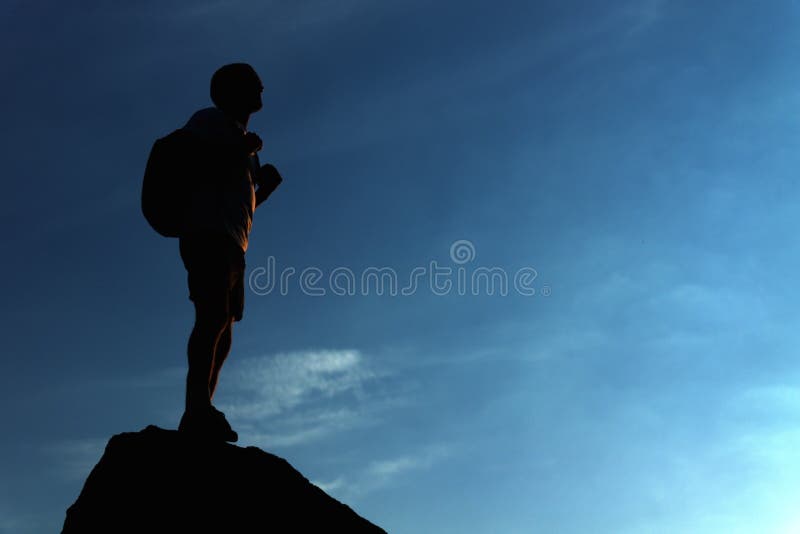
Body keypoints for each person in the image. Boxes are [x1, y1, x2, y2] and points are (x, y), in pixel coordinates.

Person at [177, 63, 283, 441]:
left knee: (225, 327)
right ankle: (197, 408)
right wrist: (240, 148)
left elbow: (238, 200)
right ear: (233, 90)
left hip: (232, 242)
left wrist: (264, 189)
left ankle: (203, 405)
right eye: (255, 84)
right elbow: (197, 166)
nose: (261, 89)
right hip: (206, 234)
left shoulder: (241, 138)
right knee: (212, 317)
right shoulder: (209, 121)